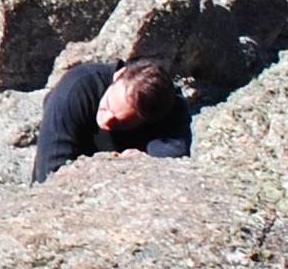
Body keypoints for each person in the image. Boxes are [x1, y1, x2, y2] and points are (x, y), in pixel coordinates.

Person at [31, 56, 190, 182]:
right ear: (119, 75)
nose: (106, 122)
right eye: (106, 106)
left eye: (123, 123)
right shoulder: (76, 87)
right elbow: (48, 172)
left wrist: (146, 162)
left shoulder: (170, 107)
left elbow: (174, 157)